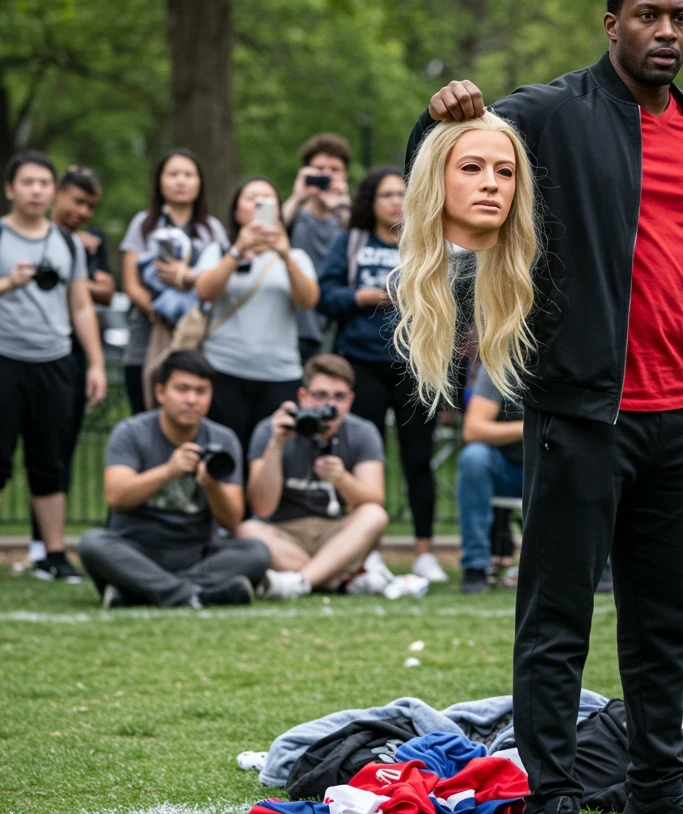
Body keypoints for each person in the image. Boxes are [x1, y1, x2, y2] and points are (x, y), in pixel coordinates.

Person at [407, 0, 683, 814]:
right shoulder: (555, 113)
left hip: (681, 413)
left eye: (679, 16)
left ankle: (656, 794)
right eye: (649, 15)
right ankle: (552, 809)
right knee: (556, 620)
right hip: (582, 409)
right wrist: (438, 110)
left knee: (662, 620)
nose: (667, 30)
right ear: (612, 24)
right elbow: (452, 151)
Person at [317, 167, 447, 585]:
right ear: (370, 202)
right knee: (361, 461)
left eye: (402, 194)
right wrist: (364, 296)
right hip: (360, 364)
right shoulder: (351, 242)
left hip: (414, 363)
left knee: (417, 460)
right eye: (387, 194)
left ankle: (423, 552)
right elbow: (324, 296)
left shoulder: (427, 241)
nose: (396, 201)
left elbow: (451, 295)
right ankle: (365, 552)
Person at [79, 350, 270, 608]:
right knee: (92, 543)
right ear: (160, 392)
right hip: (136, 550)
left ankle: (142, 591)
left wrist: (212, 487)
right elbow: (116, 498)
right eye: (182, 389)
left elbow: (232, 519)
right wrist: (168, 471)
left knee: (257, 553)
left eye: (201, 391)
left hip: (196, 553)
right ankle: (195, 594)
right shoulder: (131, 432)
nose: (192, 399)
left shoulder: (223, 439)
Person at [0, 152, 108, 584]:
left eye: (44, 183)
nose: (36, 191)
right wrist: (10, 283)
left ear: (53, 190)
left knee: (52, 462)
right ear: (11, 189)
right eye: (27, 182)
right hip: (6, 359)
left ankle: (55, 555)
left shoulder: (66, 243)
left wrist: (96, 364)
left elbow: (81, 305)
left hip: (55, 362)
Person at [238, 354, 390, 599]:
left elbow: (375, 499)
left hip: (337, 534)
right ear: (303, 397)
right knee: (247, 530)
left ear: (350, 401)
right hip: (285, 534)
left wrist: (342, 479)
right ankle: (335, 580)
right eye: (320, 395)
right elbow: (262, 508)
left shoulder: (362, 431)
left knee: (375, 515)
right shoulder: (272, 429)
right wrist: (276, 444)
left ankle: (299, 581)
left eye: (339, 397)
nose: (328, 406)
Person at [24, 165, 116, 569]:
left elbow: (101, 294)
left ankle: (49, 549)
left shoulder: (81, 245)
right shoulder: (20, 237)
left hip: (65, 357)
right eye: (77, 201)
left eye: (90, 207)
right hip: (16, 354)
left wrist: (76, 273)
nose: (83, 212)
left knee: (54, 452)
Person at [192, 177, 319, 459]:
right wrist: (237, 251)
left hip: (279, 373)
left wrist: (284, 255)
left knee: (272, 454)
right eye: (252, 198)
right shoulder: (218, 251)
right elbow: (204, 292)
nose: (259, 203)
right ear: (237, 211)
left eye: (267, 198)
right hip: (224, 368)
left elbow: (308, 300)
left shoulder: (296, 256)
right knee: (227, 453)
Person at [120, 149, 229, 414]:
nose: (181, 181)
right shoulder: (144, 224)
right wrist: (161, 310)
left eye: (188, 175)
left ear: (200, 182)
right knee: (145, 412)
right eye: (173, 174)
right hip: (147, 335)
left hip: (196, 337)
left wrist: (188, 283)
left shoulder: (211, 229)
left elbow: (221, 281)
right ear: (159, 181)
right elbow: (131, 284)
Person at [283, 133, 352, 363]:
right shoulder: (295, 215)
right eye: (319, 168)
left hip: (336, 329)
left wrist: (342, 205)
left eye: (334, 169)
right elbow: (271, 230)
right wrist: (296, 196)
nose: (327, 175)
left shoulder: (348, 217)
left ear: (345, 175)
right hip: (293, 325)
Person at [457, 365, 525, 594]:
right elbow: (473, 430)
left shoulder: (571, 360)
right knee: (474, 457)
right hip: (509, 470)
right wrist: (530, 428)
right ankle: (475, 566)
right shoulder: (501, 365)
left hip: (556, 467)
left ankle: (596, 566)